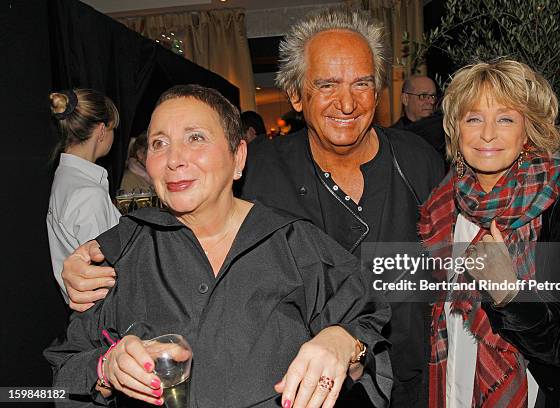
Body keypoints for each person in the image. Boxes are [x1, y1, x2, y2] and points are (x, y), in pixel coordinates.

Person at [60, 9, 444, 407]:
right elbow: (184, 218)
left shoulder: (418, 161)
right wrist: (91, 257)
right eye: (327, 84)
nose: (346, 102)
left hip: (406, 379)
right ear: (296, 95)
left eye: (362, 83)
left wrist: (506, 278)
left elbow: (462, 256)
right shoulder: (257, 168)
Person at [45, 85, 392, 408]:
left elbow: (368, 332)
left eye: (196, 137)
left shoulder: (294, 243)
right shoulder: (123, 250)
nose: (174, 159)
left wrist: (343, 342)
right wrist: (106, 368)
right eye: (159, 143)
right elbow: (63, 373)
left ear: (238, 157)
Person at [419, 59, 560, 407]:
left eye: (505, 118)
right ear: (456, 131)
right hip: (448, 390)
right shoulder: (438, 208)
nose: (488, 134)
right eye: (473, 118)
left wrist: (510, 294)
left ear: (528, 131)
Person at [47, 88, 121, 302]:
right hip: (103, 318)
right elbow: (109, 274)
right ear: (101, 130)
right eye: (113, 128)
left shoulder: (64, 178)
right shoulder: (88, 193)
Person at [392, 76, 446, 163]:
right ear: (405, 99)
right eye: (423, 96)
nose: (431, 102)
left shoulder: (444, 133)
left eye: (433, 96)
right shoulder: (391, 138)